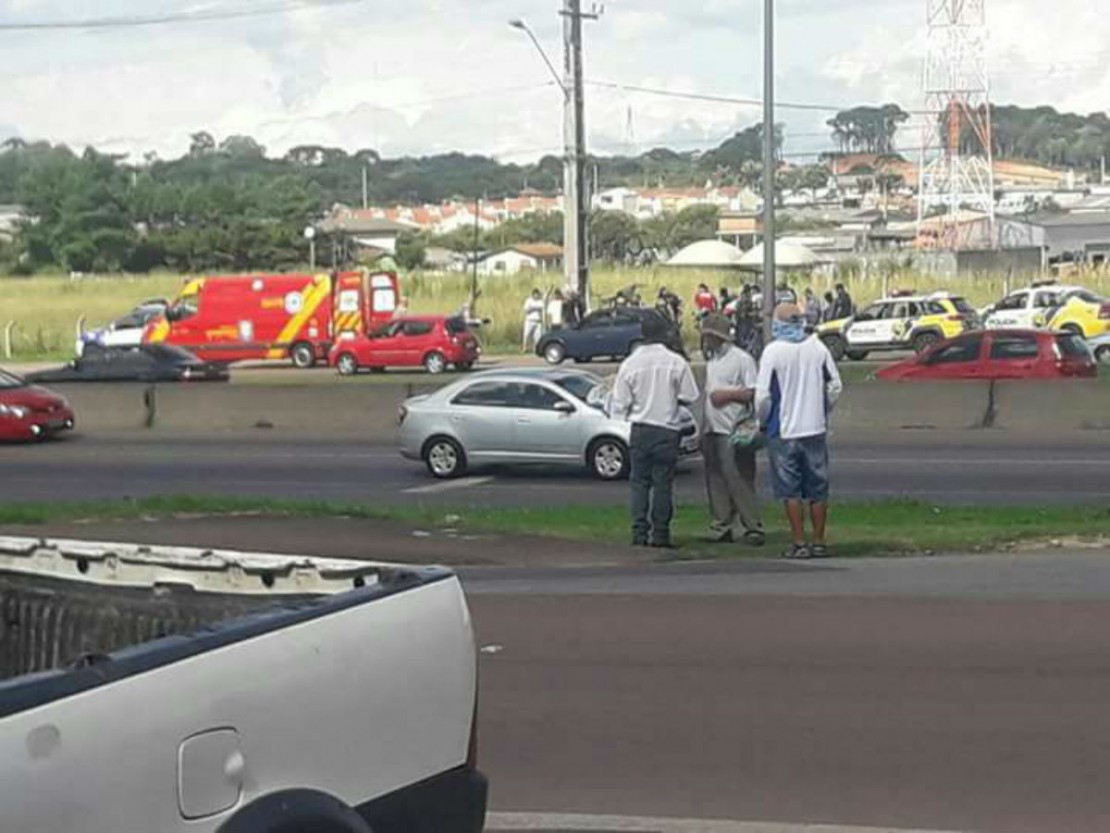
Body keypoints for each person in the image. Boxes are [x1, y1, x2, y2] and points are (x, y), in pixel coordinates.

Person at [756, 303, 843, 560]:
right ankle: (819, 540)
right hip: (814, 428)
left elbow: (762, 396)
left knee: (789, 489)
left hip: (783, 430)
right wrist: (823, 409)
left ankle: (798, 541)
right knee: (818, 488)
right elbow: (835, 385)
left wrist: (763, 420)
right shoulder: (818, 348)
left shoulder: (773, 352)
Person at [612, 314, 699, 548]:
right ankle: (661, 533)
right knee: (663, 483)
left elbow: (620, 402)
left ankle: (639, 532)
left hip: (641, 427)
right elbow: (690, 395)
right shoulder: (675, 361)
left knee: (639, 482)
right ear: (664, 334)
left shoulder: (630, 363)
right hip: (667, 429)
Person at [699, 313, 764, 546]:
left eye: (709, 336)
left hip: (734, 428)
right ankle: (721, 525)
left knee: (739, 478)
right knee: (715, 479)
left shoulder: (741, 359)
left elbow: (753, 391)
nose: (706, 340)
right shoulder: (712, 360)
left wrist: (726, 395)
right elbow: (708, 395)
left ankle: (752, 526)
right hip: (712, 428)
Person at [522, 288, 545, 353]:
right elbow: (526, 310)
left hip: (538, 321)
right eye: (535, 294)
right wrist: (534, 308)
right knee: (527, 335)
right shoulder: (528, 301)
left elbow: (543, 309)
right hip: (529, 320)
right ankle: (525, 348)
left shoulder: (540, 301)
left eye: (537, 294)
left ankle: (535, 349)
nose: (536, 296)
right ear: (533, 294)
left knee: (537, 336)